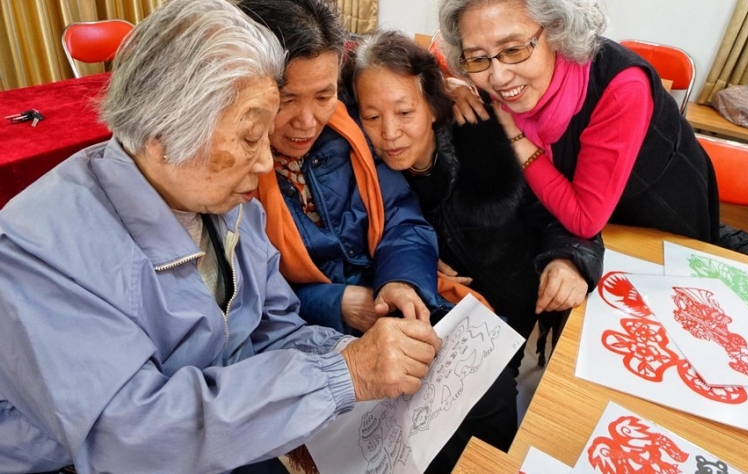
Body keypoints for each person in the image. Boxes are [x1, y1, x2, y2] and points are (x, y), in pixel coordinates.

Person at [0, 1, 445, 472]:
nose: (265, 161)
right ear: (163, 133)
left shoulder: (229, 207)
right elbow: (129, 436)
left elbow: (274, 330)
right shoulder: (35, 253)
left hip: (221, 429)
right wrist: (341, 375)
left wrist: (357, 357)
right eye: (250, 136)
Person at [238, 0, 519, 472]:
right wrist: (336, 302)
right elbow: (245, 298)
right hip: (310, 336)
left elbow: (402, 219)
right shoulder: (234, 169)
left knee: (487, 393)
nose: (307, 121)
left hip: (390, 302)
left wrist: (402, 283)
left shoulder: (351, 132)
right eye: (286, 100)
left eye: (323, 96)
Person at [344, 29, 604, 363]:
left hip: (518, 305)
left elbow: (569, 213)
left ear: (434, 106)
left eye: (405, 112)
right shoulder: (365, 170)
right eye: (372, 117)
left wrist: (568, 260)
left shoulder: (489, 135)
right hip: (444, 316)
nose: (390, 133)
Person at [437, 0, 720, 243]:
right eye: (477, 58)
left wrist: (515, 135)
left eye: (513, 50)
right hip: (569, 226)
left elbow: (585, 220)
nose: (499, 77)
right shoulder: (495, 77)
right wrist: (447, 87)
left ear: (557, 30)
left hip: (653, 222)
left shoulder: (621, 88)